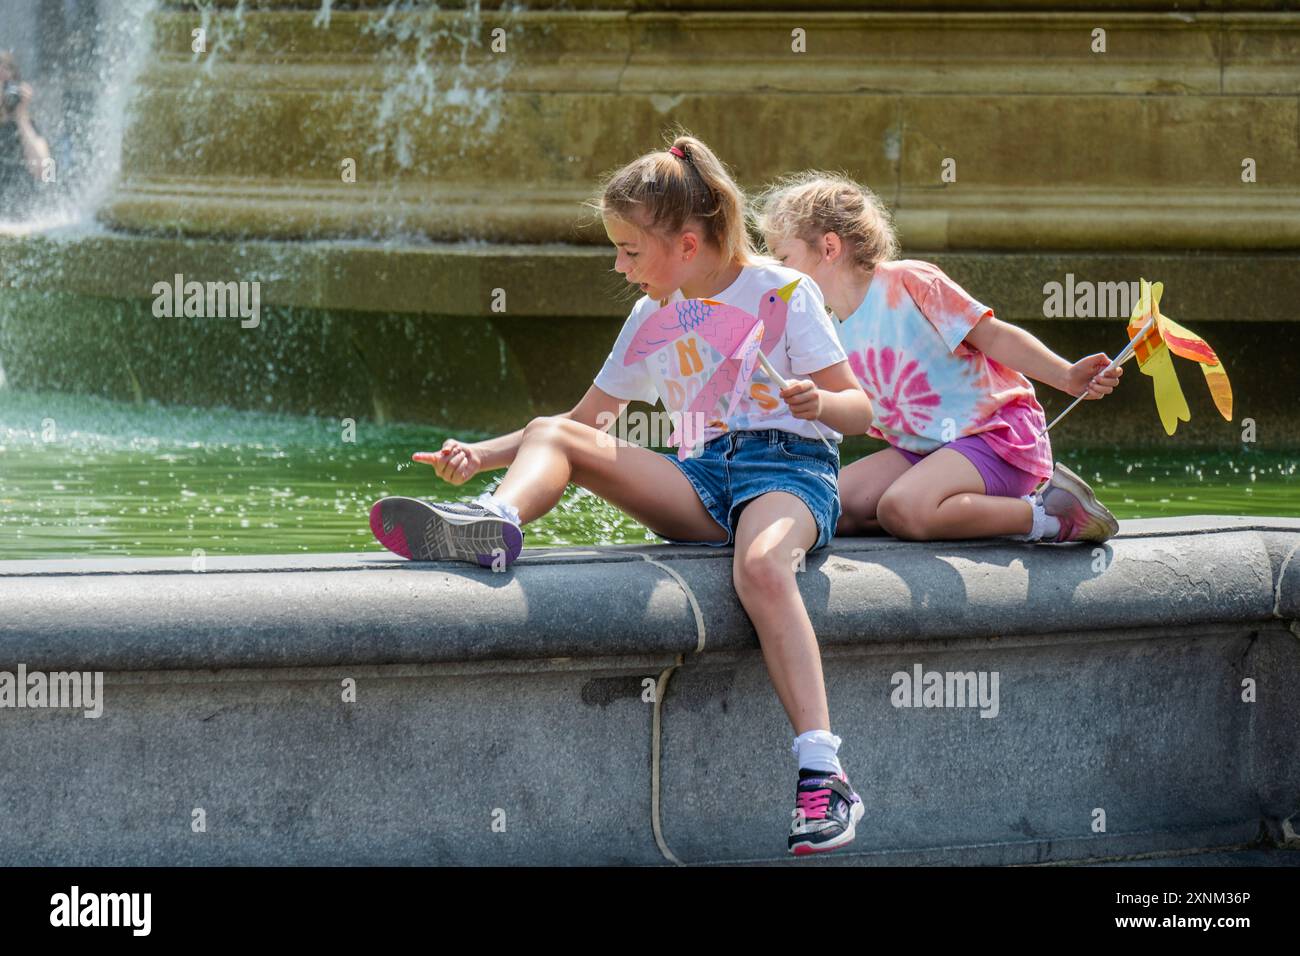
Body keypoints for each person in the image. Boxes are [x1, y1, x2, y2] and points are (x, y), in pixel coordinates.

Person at [370, 134, 876, 855]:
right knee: (555, 432)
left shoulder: (785, 294)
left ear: (689, 244)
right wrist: (481, 456)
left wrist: (818, 405)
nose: (618, 264)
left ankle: (824, 773)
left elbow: (859, 410)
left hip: (788, 472)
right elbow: (577, 427)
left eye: (629, 250)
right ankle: (494, 521)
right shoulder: (651, 318)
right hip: (699, 477)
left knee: (762, 567)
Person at [754, 171, 1123, 544]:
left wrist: (1065, 376)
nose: (777, 272)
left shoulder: (909, 282)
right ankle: (954, 511)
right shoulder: (827, 330)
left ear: (829, 248)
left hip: (996, 439)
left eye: (784, 257)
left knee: (904, 508)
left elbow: (992, 335)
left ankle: (1052, 517)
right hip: (925, 450)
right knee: (830, 503)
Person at [0, 51, 51, 220]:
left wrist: (22, 117)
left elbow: (46, 173)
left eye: (6, 84)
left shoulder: (28, 126)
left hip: (22, 218)